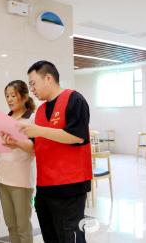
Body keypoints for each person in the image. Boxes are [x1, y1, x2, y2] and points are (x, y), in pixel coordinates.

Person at [20, 60, 92, 243]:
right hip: (45, 186)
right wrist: (14, 142)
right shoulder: (41, 110)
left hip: (70, 186)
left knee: (71, 236)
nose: (32, 90)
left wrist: (40, 131)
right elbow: (37, 146)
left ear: (49, 78)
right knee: (50, 236)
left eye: (33, 83)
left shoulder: (75, 99)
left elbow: (78, 136)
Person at [0, 80, 36, 243]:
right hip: (2, 177)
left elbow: (34, 149)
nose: (10, 99)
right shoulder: (4, 119)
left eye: (13, 95)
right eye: (7, 96)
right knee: (11, 225)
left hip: (21, 181)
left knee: (23, 226)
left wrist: (17, 142)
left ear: (25, 97)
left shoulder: (32, 119)